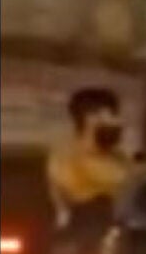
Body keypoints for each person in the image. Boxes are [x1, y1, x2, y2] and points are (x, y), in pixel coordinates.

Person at [44, 87, 129, 245]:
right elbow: (74, 190)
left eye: (115, 115)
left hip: (122, 229)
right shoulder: (66, 154)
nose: (116, 122)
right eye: (109, 116)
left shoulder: (119, 158)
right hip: (86, 230)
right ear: (90, 118)